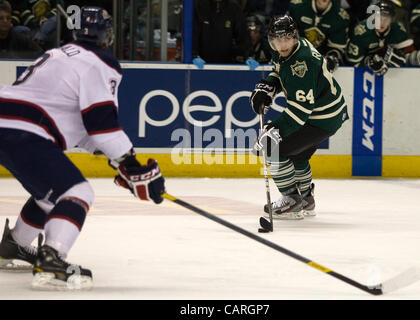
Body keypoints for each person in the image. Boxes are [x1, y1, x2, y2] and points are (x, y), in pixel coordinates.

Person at [0, 6, 165, 290]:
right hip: (27, 131)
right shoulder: (100, 62)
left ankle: (15, 245)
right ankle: (52, 259)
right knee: (77, 192)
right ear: (106, 34)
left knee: (49, 194)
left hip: (9, 122)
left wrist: (120, 162)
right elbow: (101, 123)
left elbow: (80, 126)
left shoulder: (57, 54)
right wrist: (132, 164)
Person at [250, 14, 349, 219]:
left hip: (320, 118)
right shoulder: (289, 50)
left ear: (294, 37)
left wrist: (274, 129)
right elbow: (279, 72)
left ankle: (291, 200)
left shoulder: (302, 63)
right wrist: (269, 86)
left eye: (286, 39)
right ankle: (306, 199)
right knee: (298, 154)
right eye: (277, 39)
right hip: (326, 115)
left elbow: (300, 111)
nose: (282, 44)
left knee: (272, 148)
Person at [345, 0, 414, 76]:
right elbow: (352, 61)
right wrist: (368, 62)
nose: (382, 23)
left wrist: (402, 57)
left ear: (391, 20)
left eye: (386, 19)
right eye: (379, 18)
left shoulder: (398, 30)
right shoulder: (362, 31)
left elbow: (407, 54)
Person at [192, 0, 258, 70]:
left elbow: (243, 36)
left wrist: (249, 56)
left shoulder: (234, 9)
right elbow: (193, 35)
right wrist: (194, 55)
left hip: (227, 65)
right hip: (202, 66)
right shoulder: (199, 7)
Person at [288, 0, 350, 73]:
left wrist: (330, 60)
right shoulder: (297, 6)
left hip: (321, 59)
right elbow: (288, 37)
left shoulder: (340, 17)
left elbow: (337, 47)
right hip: (297, 56)